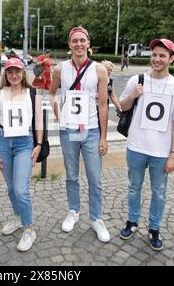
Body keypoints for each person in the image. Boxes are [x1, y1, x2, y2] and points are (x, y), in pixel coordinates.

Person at [118, 38, 174, 251]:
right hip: (136, 146)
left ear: (171, 58)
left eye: (162, 55)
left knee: (159, 191)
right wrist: (133, 95)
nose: (157, 59)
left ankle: (155, 227)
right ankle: (132, 221)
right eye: (154, 55)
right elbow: (122, 106)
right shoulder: (137, 80)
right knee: (133, 187)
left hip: (161, 151)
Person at [49, 26, 110, 243]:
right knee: (72, 175)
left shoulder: (100, 70)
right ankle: (73, 211)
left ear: (88, 43)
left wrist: (103, 137)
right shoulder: (60, 69)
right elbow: (52, 93)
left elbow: (103, 105)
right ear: (69, 44)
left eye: (82, 40)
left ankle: (96, 218)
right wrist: (58, 115)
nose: (78, 44)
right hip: (69, 130)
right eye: (74, 41)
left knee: (95, 177)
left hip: (91, 130)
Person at [0, 57, 43, 252]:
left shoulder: (33, 93)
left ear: (23, 73)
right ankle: (18, 218)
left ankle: (29, 229)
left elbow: (39, 122)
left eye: (17, 71)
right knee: (11, 187)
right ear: (5, 74)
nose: (14, 75)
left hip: (24, 143)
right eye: (10, 71)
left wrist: (38, 144)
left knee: (21, 189)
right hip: (3, 141)